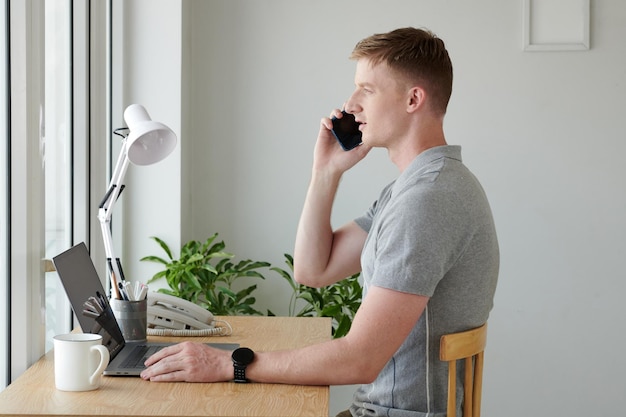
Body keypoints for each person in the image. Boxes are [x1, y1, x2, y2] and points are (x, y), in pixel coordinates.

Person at [140, 27, 499, 417]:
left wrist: (230, 363)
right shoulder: (416, 188)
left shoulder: (426, 202)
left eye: (367, 89)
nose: (351, 103)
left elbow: (359, 359)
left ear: (413, 99)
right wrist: (325, 172)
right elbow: (313, 270)